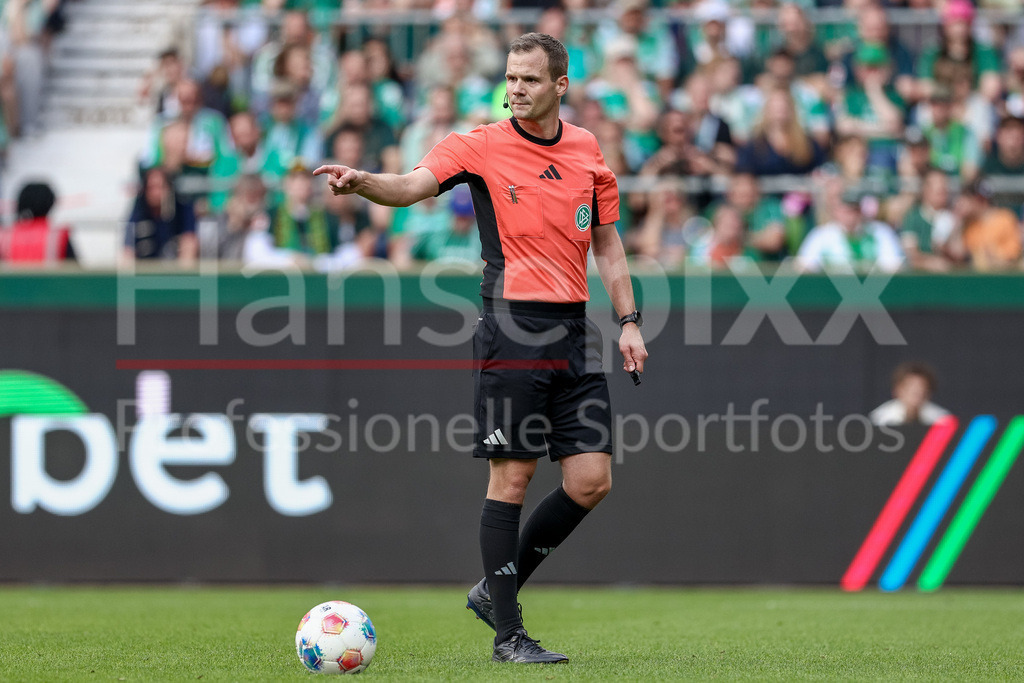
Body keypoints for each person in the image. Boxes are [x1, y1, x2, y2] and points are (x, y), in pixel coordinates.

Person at [314, 32, 648, 664]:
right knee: (513, 476)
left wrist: (629, 320)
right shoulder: (479, 145)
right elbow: (413, 186)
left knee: (591, 479)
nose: (514, 89)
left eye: (528, 79)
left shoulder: (586, 149)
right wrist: (362, 184)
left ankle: (496, 589)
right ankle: (508, 635)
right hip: (512, 328)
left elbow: (606, 243)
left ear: (560, 85)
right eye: (509, 78)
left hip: (576, 333)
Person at [870, 362, 951, 426]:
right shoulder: (879, 419)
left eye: (921, 387)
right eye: (910, 387)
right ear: (897, 390)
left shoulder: (943, 420)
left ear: (929, 392)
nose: (916, 392)